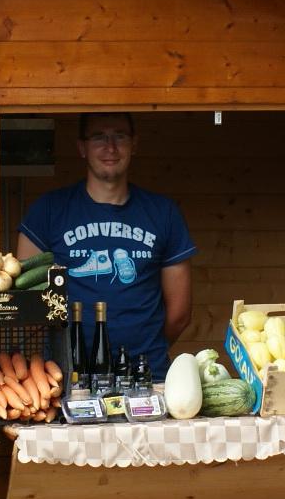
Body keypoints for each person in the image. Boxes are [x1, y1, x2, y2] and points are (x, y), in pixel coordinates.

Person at [15, 113, 196, 376]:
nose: (110, 147)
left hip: (146, 374)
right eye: (99, 137)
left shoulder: (163, 213)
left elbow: (179, 313)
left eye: (119, 136)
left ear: (134, 144)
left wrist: (146, 347)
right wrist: (54, 356)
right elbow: (27, 302)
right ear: (82, 147)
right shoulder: (48, 211)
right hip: (65, 374)